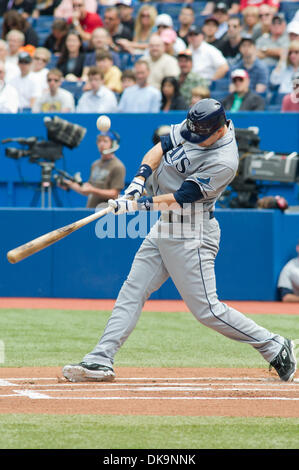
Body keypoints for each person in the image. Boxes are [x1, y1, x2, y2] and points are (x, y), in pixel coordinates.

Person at [62, 98, 297, 384]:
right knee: (132, 291)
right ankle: (101, 358)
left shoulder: (224, 161)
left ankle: (274, 345)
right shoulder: (199, 123)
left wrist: (137, 206)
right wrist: (139, 180)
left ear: (220, 130)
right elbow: (162, 146)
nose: (193, 138)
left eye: (200, 135)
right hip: (165, 227)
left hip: (191, 233)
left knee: (208, 311)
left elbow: (181, 198)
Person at [59, 130, 125, 208]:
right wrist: (69, 184)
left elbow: (115, 194)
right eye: (99, 141)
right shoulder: (95, 164)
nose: (101, 144)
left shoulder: (118, 166)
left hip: (105, 214)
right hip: (90, 211)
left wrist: (92, 190)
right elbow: (87, 191)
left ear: (113, 144)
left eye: (105, 141)